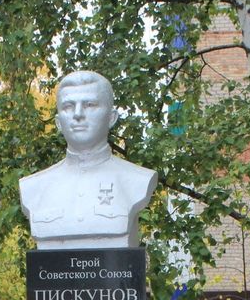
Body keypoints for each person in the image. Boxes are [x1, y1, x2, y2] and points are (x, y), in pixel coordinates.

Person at [19, 70, 158, 250]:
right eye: (68, 106)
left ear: (111, 117)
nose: (78, 114)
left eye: (90, 105)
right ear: (58, 122)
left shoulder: (137, 181)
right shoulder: (33, 187)